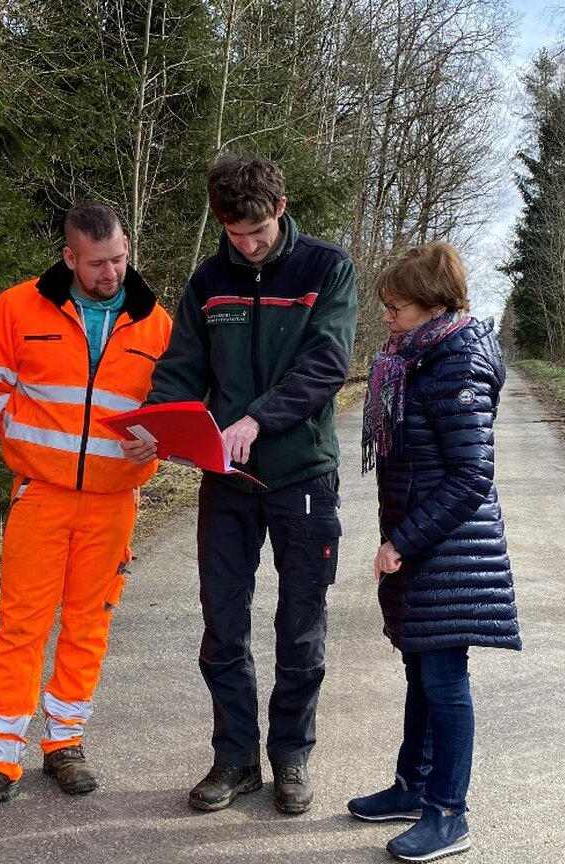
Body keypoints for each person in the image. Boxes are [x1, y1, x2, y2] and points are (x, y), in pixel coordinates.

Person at [139, 154, 358, 815]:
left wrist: (255, 420)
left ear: (281, 207)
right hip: (227, 482)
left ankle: (290, 757)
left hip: (303, 474)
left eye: (258, 231)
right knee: (223, 626)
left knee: (301, 626)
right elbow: (181, 369)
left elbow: (327, 364)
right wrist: (162, 421)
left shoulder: (327, 268)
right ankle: (235, 758)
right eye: (235, 234)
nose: (248, 244)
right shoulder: (208, 282)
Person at [0, 204, 172, 821]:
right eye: (98, 263)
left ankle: (64, 742)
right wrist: (31, 445)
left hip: (114, 500)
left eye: (120, 258)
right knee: (21, 623)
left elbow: (175, 406)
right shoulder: (20, 307)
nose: (112, 272)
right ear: (69, 258)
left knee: (88, 623)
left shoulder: (156, 322)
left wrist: (157, 441)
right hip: (41, 494)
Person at [348, 241, 520, 863]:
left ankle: (449, 814)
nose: (388, 320)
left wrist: (403, 539)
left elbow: (472, 476)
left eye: (397, 309)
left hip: (449, 552)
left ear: (433, 306)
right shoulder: (417, 358)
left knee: (445, 681)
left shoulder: (455, 363)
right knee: (421, 673)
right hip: (425, 546)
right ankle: (412, 788)